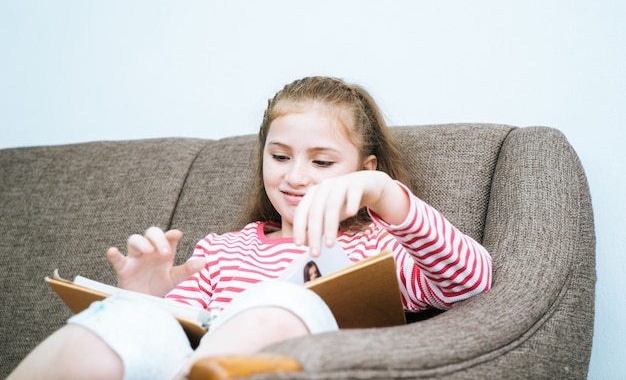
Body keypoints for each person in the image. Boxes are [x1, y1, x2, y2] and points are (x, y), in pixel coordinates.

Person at [8, 76, 492, 380]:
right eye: (279, 157)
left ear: (362, 168)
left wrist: (386, 194)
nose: (296, 175)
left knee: (284, 301)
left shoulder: (378, 244)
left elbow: (470, 280)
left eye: (322, 161)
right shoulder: (222, 249)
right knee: (125, 321)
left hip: (303, 362)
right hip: (189, 358)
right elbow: (178, 335)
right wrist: (148, 296)